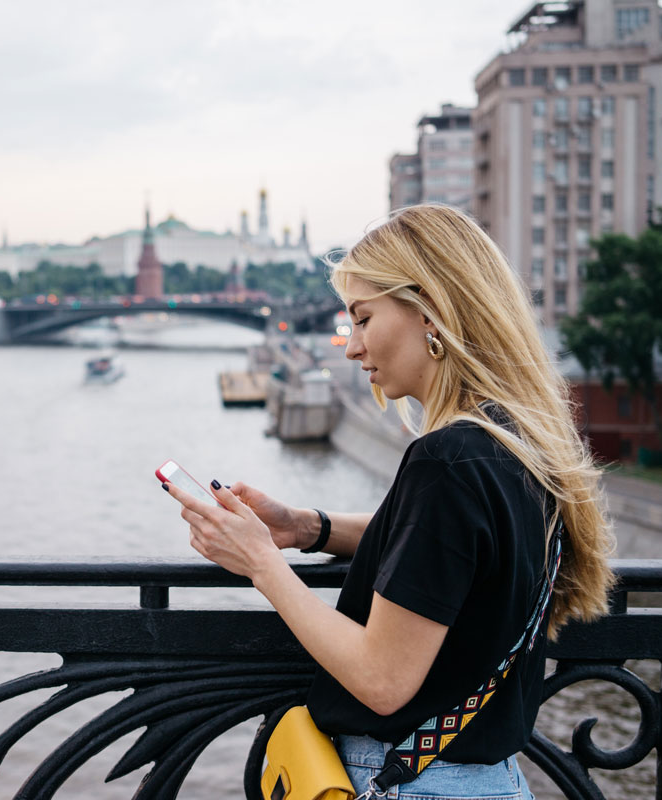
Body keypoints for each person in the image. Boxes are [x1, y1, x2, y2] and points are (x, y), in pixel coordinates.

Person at [163, 204, 615, 800]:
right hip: (487, 779)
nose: (351, 348)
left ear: (430, 309)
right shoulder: (513, 445)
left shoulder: (446, 461)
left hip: (411, 782)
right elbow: (444, 548)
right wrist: (305, 528)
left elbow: (382, 681)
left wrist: (261, 565)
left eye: (362, 318)